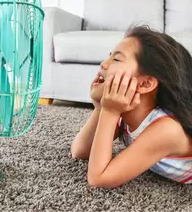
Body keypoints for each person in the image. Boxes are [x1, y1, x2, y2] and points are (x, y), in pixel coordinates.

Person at [71, 25, 192, 188]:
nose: (103, 64)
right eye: (109, 56)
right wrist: (101, 108)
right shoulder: (125, 114)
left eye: (116, 59)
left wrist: (109, 111)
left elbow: (98, 179)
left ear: (145, 83)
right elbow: (80, 151)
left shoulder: (167, 130)